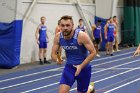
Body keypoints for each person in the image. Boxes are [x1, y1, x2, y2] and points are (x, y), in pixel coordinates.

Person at [51, 15, 96, 93]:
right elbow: (53, 54)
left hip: (84, 68)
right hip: (69, 68)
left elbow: (93, 52)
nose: (65, 28)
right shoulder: (58, 37)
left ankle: (90, 88)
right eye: (63, 25)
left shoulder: (81, 36)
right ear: (59, 26)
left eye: (68, 25)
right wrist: (58, 59)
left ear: (73, 26)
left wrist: (81, 66)